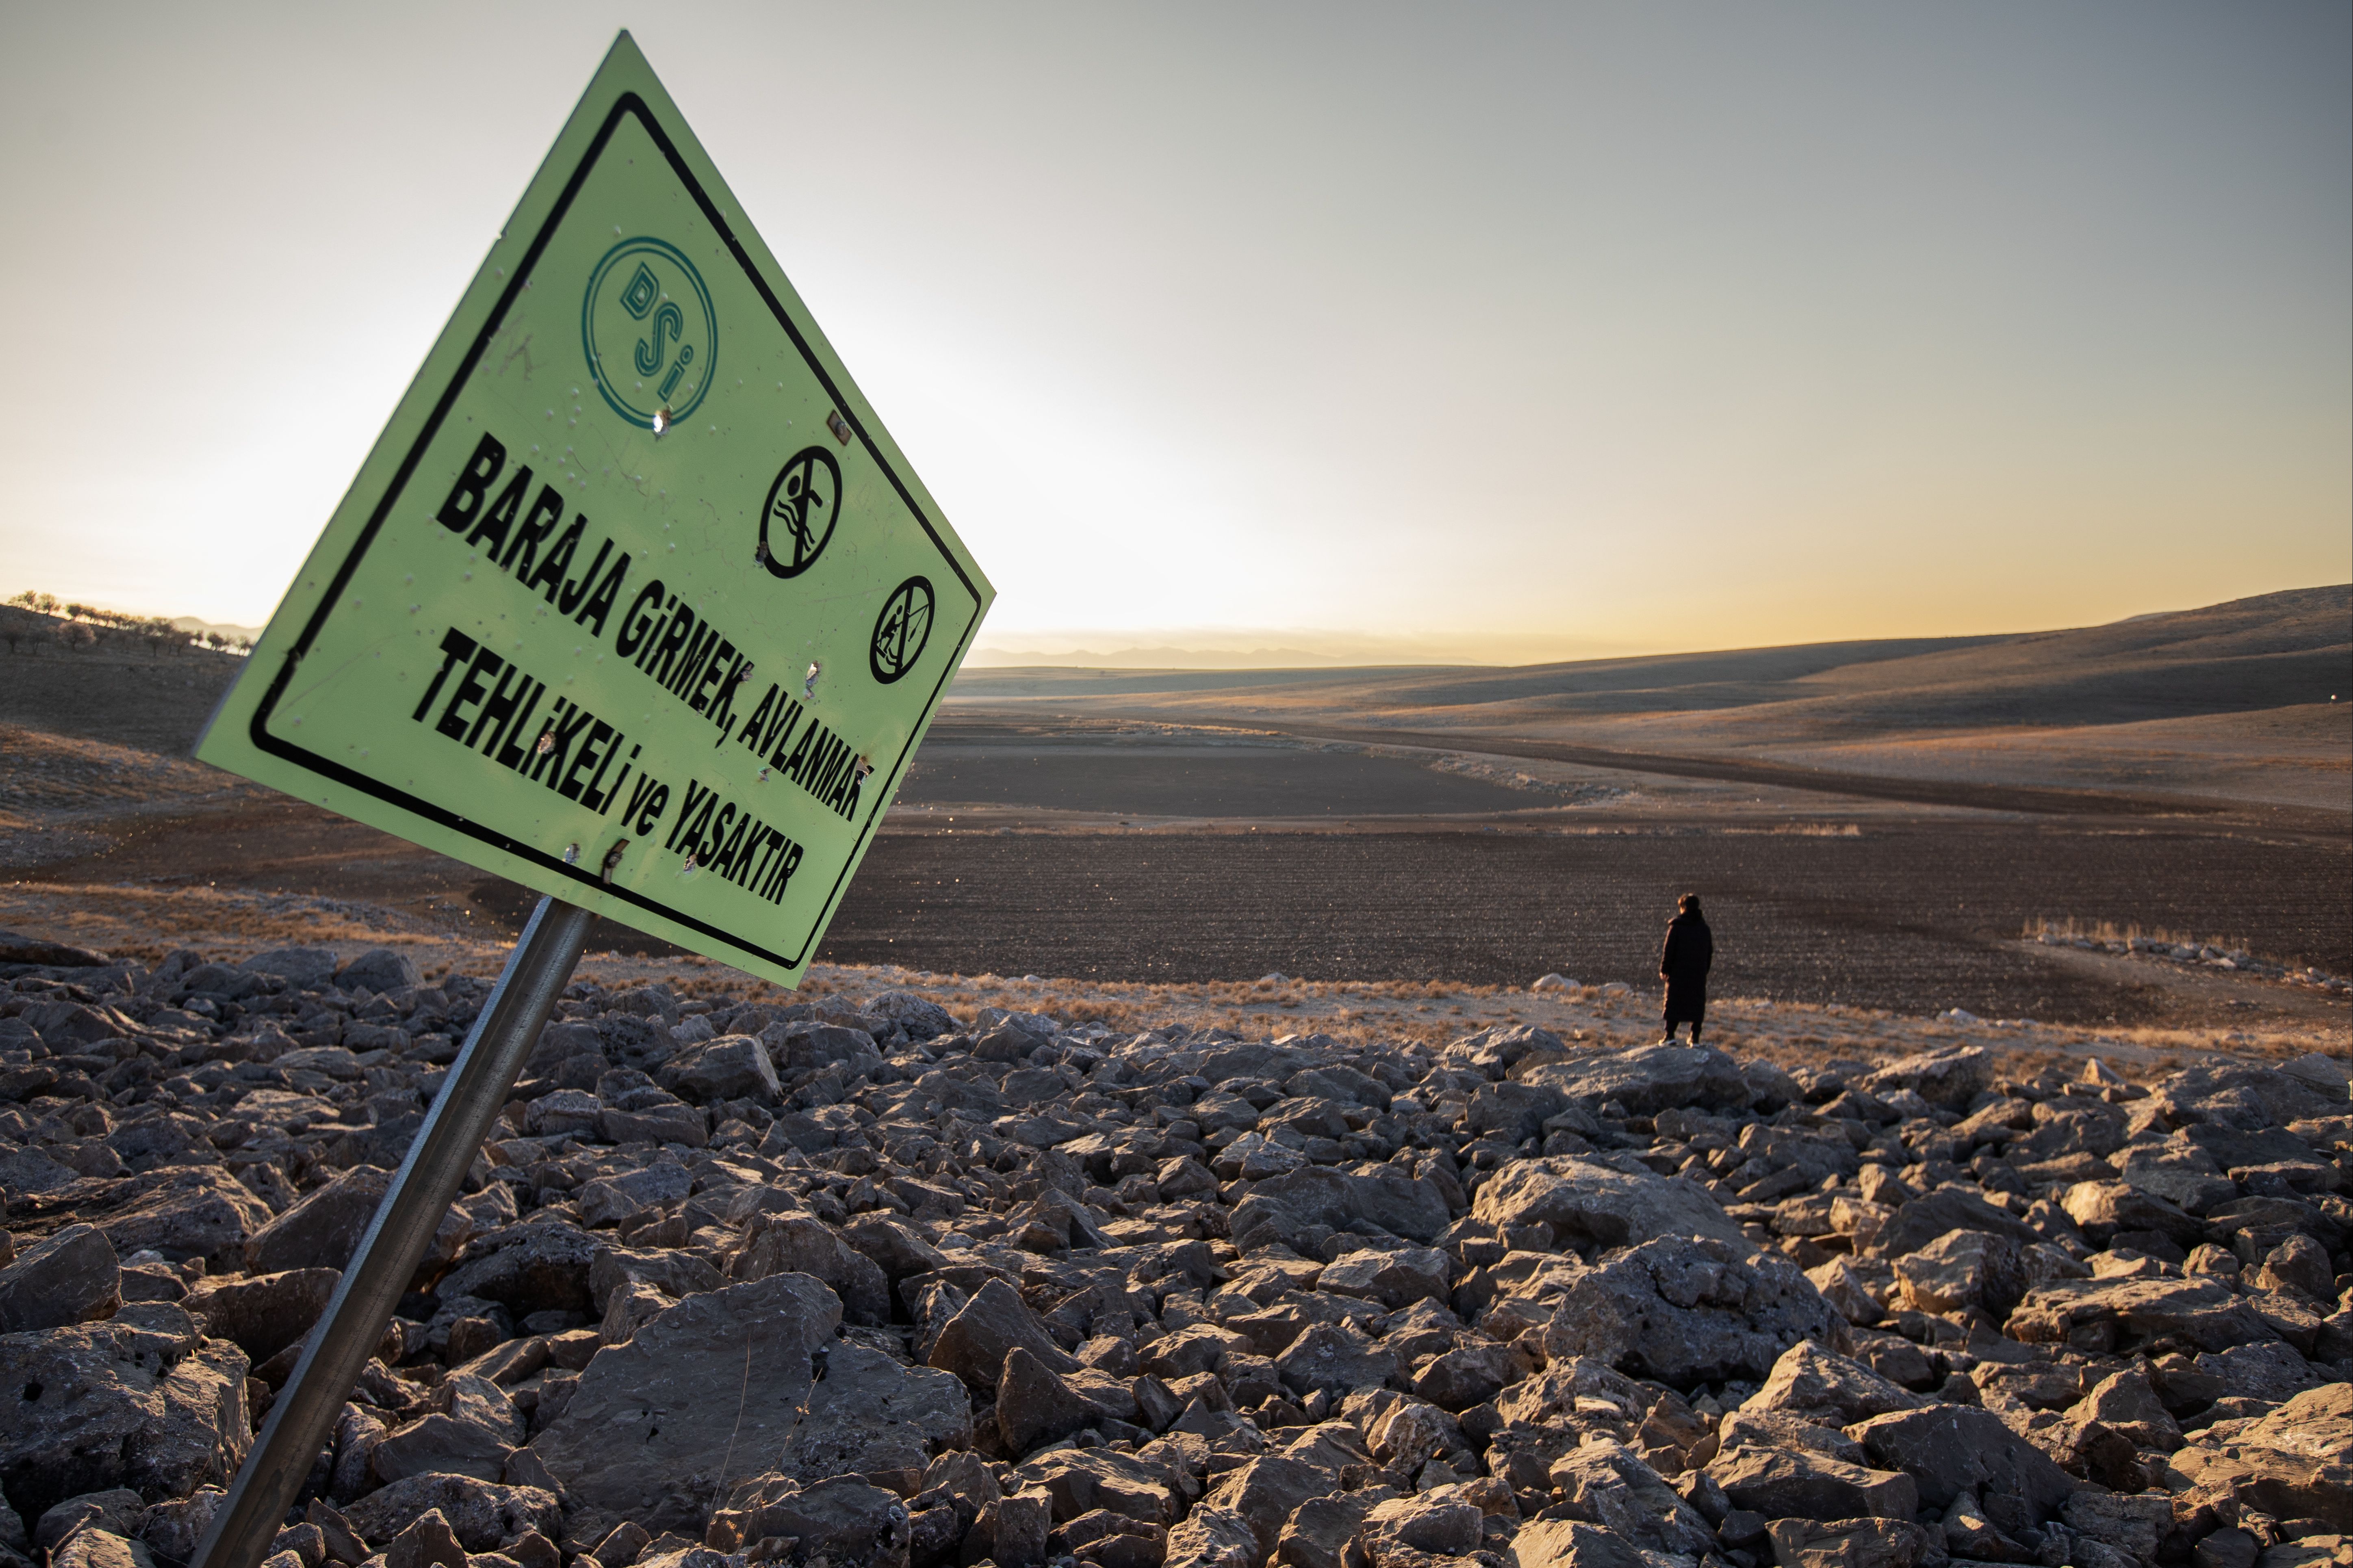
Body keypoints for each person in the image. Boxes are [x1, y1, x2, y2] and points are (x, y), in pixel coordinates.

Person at [1658, 893, 1713, 1044]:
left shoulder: (1677, 927)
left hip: (1678, 974)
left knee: (1674, 1003)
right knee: (1696, 1004)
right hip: (1697, 974)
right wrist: (1704, 971)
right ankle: (1695, 1038)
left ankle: (1670, 1036)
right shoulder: (1704, 929)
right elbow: (1709, 953)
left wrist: (1665, 969)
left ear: (1683, 907)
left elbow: (1669, 950)